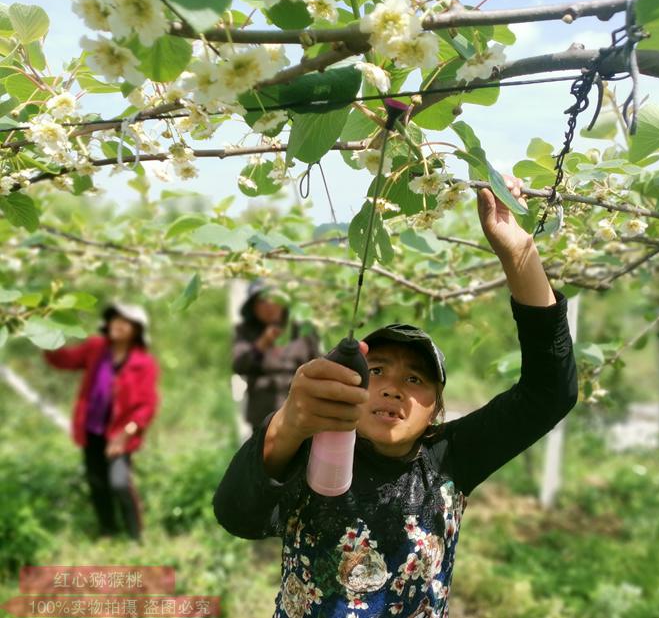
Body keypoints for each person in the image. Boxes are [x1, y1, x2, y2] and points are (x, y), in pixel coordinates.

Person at [213, 178, 579, 617]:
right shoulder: (315, 452)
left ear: (436, 412)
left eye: (416, 380)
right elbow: (237, 514)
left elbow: (549, 393)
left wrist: (519, 253)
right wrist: (288, 422)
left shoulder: (449, 459)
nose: (391, 387)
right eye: (378, 371)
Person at [43, 303, 159, 542]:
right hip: (92, 429)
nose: (118, 324)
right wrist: (42, 332)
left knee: (118, 483)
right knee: (97, 483)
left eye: (125, 321)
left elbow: (147, 406)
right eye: (115, 319)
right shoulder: (96, 348)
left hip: (120, 433)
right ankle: (108, 531)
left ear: (137, 330)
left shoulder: (144, 363)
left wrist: (125, 434)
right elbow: (63, 360)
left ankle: (136, 536)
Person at [232, 281, 320, 430]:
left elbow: (317, 365)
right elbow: (239, 365)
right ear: (253, 307)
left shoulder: (303, 331)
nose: (269, 306)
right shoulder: (245, 332)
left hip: (300, 409)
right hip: (263, 413)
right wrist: (262, 343)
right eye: (262, 301)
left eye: (274, 299)